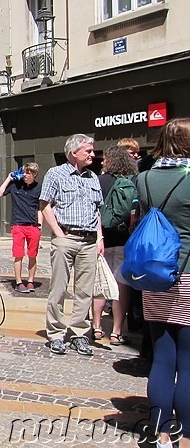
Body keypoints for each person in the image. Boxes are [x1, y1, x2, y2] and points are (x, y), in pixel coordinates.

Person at [135, 119, 190, 448]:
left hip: (154, 274)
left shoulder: (144, 178)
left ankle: (162, 434)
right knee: (188, 361)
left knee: (163, 357)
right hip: (188, 273)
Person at [39, 134, 104, 356]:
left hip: (89, 241)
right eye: (88, 151)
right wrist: (59, 234)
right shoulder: (55, 174)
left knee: (85, 291)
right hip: (66, 237)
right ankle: (56, 333)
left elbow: (97, 211)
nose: (92, 155)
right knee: (58, 288)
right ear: (73, 152)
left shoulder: (93, 177)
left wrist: (100, 238)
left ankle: (79, 333)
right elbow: (45, 205)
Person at [91, 146, 138, 345]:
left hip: (102, 240)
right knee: (121, 286)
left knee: (101, 282)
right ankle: (117, 331)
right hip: (124, 239)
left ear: (110, 161)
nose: (102, 162)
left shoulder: (98, 181)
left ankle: (97, 327)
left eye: (105, 159)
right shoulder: (133, 182)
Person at [0, 163, 42, 293]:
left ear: (34, 174)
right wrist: (9, 178)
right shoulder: (15, 185)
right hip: (18, 225)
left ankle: (31, 281)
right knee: (18, 255)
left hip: (32, 226)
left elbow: (40, 208)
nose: (25, 175)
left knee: (32, 255)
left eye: (28, 173)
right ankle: (19, 282)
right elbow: (0, 193)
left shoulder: (38, 188)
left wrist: (39, 225)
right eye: (24, 172)